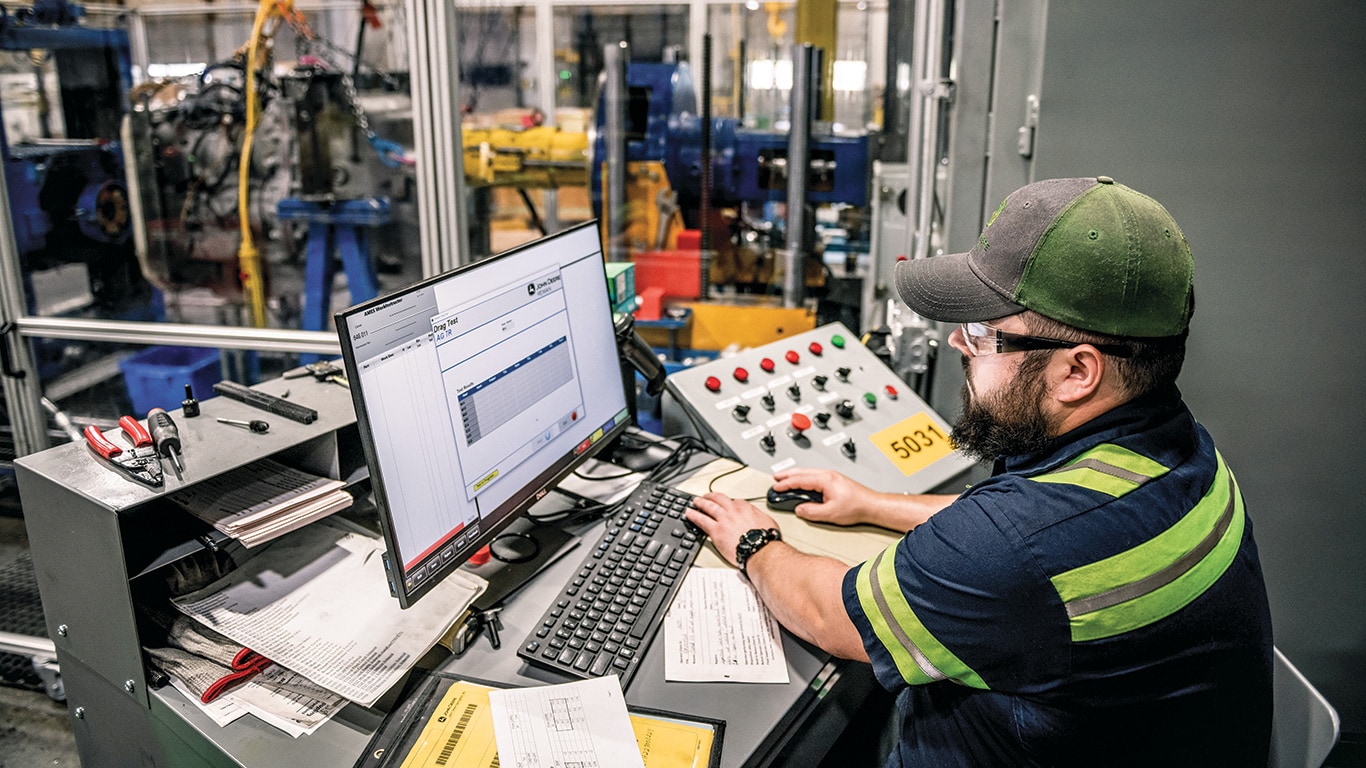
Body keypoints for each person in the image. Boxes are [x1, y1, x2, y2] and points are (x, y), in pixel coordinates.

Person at [685, 176, 1274, 766]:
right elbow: (1031, 542)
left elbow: (830, 615)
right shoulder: (1185, 454)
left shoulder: (1012, 544)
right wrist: (872, 504)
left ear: (1077, 372)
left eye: (983, 332)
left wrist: (755, 543)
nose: (956, 344)